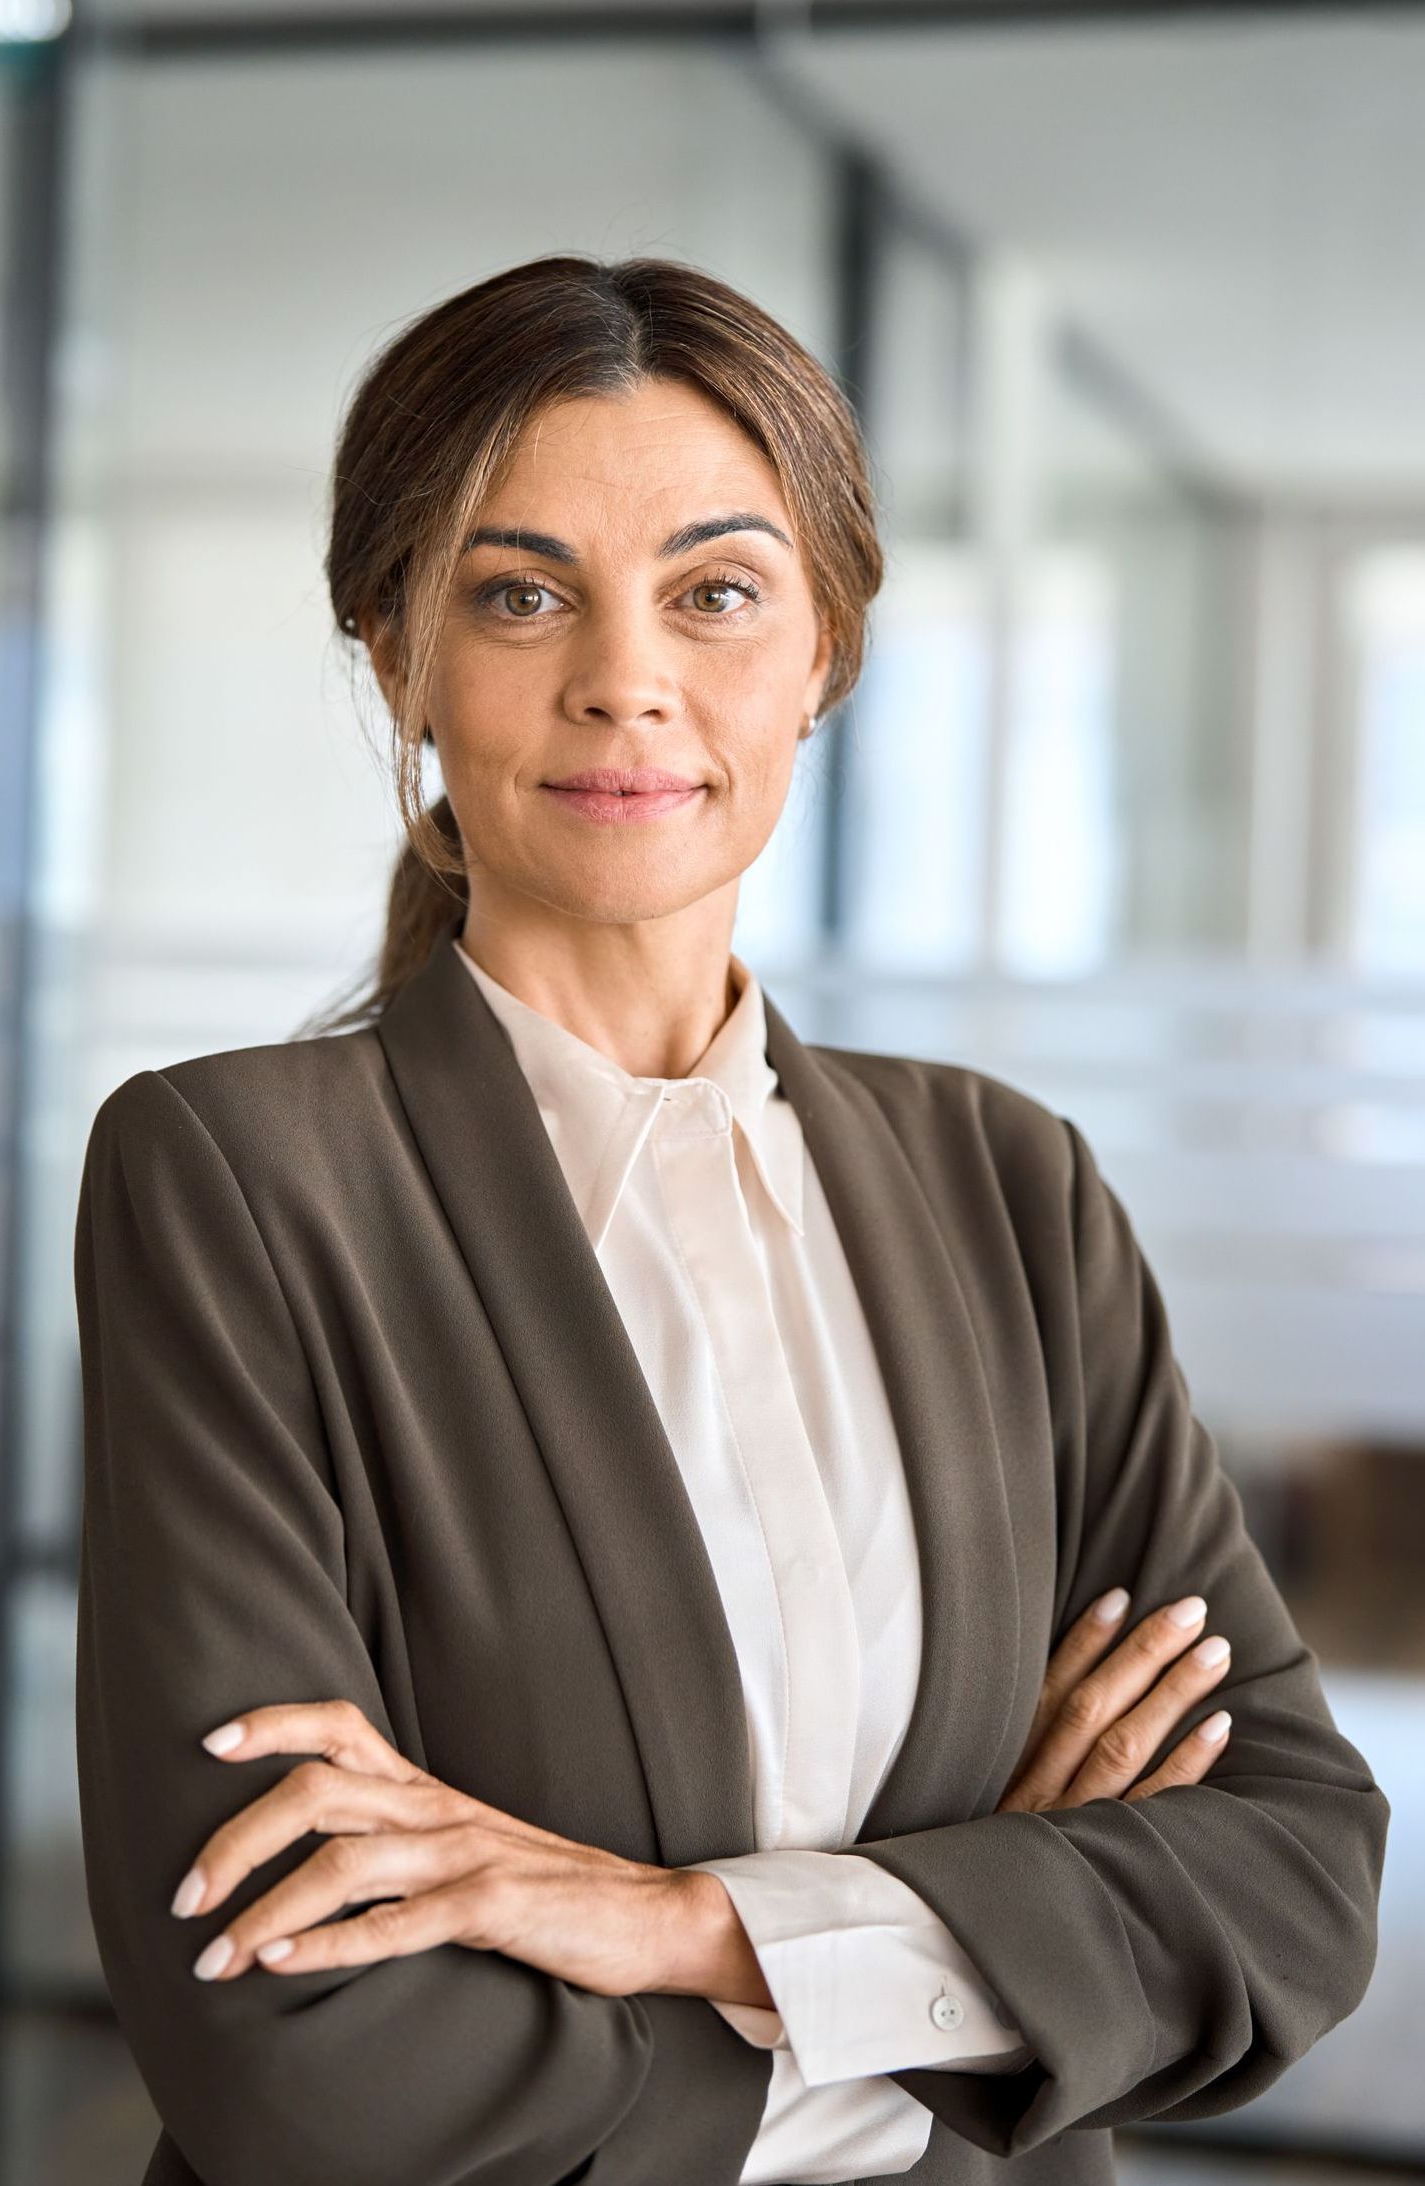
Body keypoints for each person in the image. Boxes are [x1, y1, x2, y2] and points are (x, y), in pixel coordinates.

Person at [73, 255, 1387, 2186]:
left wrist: (671, 1922)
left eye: (717, 590)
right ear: (398, 654)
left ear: (824, 648)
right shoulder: (241, 1181)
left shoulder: (1007, 1187)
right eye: (522, 593)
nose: (627, 674)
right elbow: (297, 2040)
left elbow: (1289, 1871)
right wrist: (974, 1945)